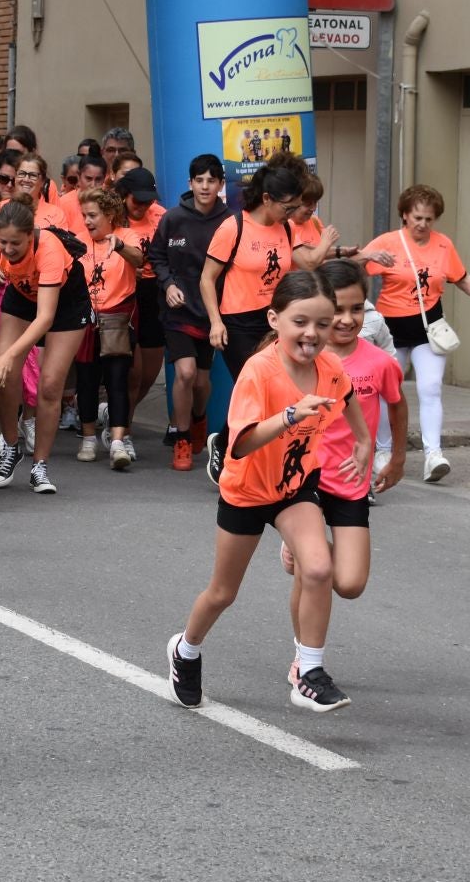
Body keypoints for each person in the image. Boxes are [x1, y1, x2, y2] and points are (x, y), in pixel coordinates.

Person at [167, 268, 367, 714]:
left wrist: (364, 439)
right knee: (223, 593)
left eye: (322, 322)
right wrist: (292, 415)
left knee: (318, 569)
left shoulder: (330, 367)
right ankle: (186, 649)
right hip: (247, 491)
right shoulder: (260, 371)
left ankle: (309, 672)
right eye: (300, 322)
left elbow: (348, 396)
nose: (312, 333)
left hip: (294, 488)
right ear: (275, 319)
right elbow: (241, 443)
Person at [199, 157, 374, 484]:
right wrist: (215, 322)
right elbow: (207, 278)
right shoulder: (233, 227)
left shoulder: (285, 227)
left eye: (296, 207)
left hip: (275, 318)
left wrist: (328, 247)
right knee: (255, 386)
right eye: (288, 206)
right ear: (267, 199)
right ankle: (228, 445)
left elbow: (305, 261)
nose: (293, 213)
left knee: (273, 387)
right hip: (236, 321)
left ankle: (232, 444)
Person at [275, 260, 407, 683]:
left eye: (358, 310)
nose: (348, 320)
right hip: (305, 483)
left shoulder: (379, 363)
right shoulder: (300, 357)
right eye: (341, 311)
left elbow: (397, 405)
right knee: (316, 571)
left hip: (351, 482)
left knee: (349, 583)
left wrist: (398, 458)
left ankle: (307, 555)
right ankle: (304, 660)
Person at [364, 185, 470, 483]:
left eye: (429, 219)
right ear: (404, 214)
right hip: (390, 328)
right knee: (387, 393)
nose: (423, 224)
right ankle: (383, 452)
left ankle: (433, 455)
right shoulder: (389, 242)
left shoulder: (443, 245)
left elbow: (461, 278)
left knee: (430, 388)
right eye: (417, 217)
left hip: (429, 328)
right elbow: (356, 265)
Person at [0, 200, 93, 495]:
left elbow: (45, 319)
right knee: (3, 375)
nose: (9, 249)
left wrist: (9, 355)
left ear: (31, 235)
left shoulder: (48, 249)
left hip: (65, 304)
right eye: (3, 242)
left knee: (50, 384)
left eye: (16, 243)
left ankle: (40, 465)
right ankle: (10, 448)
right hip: (21, 296)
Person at [152, 154, 227, 471]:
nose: (205, 186)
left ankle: (199, 418)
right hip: (177, 312)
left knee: (200, 382)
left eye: (211, 180)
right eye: (200, 180)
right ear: (190, 183)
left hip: (210, 314)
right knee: (184, 374)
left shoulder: (229, 222)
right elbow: (156, 256)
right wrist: (168, 284)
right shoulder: (172, 218)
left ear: (221, 185)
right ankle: (182, 439)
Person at [75, 186, 137, 468]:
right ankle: (88, 438)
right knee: (86, 380)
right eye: (84, 215)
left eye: (92, 215)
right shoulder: (78, 242)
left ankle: (117, 442)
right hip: (86, 319)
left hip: (117, 318)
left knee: (117, 381)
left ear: (110, 214)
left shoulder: (127, 236)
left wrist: (120, 246)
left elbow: (141, 259)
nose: (87, 221)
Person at [114, 165, 168, 424]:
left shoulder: (161, 216)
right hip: (123, 292)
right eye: (137, 200)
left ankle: (119, 414)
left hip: (154, 291)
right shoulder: (112, 216)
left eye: (148, 200)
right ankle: (122, 428)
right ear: (124, 194)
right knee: (132, 373)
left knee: (149, 372)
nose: (143, 206)